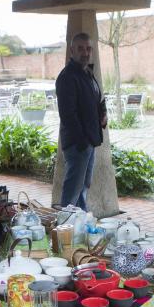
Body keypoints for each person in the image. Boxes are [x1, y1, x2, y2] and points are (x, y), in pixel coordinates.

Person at [55, 32, 107, 210]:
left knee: (83, 187)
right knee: (73, 191)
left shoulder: (87, 73)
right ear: (72, 51)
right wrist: (82, 142)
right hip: (78, 144)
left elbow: (97, 99)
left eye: (88, 49)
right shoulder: (67, 77)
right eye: (80, 48)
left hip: (89, 140)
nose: (85, 53)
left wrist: (103, 114)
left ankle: (80, 222)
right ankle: (65, 223)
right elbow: (68, 115)